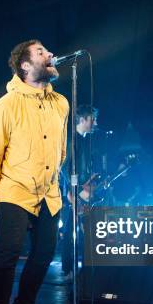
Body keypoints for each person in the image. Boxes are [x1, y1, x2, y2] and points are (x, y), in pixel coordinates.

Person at [0, 39, 69, 304]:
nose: (51, 54)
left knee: (44, 254)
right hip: (15, 190)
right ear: (26, 66)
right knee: (8, 255)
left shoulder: (61, 103)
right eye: (42, 52)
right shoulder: (5, 105)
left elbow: (61, 151)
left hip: (50, 193)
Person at [59, 105, 98, 280]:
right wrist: (71, 192)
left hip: (81, 192)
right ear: (82, 120)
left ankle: (75, 268)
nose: (95, 123)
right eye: (92, 119)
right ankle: (68, 269)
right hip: (72, 194)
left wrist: (89, 180)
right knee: (70, 232)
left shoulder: (84, 141)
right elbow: (63, 168)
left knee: (79, 231)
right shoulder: (70, 140)